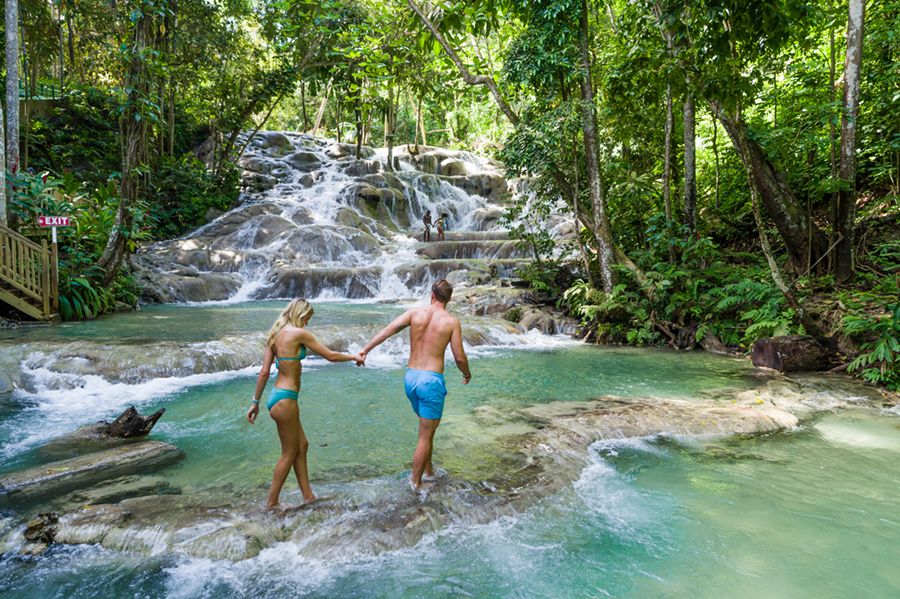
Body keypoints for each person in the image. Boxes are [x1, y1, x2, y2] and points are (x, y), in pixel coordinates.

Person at [247, 298, 363, 509]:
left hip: (276, 397)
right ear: (300, 314)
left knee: (302, 445)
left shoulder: (274, 334)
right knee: (289, 453)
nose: (307, 322)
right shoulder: (299, 333)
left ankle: (308, 496)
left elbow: (264, 372)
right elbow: (331, 356)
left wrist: (255, 402)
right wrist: (354, 357)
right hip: (286, 399)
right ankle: (271, 503)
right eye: (307, 318)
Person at [359, 279, 471, 490]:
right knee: (425, 436)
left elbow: (388, 330)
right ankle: (416, 484)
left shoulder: (414, 313)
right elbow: (459, 357)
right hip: (430, 382)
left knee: (428, 430)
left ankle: (429, 472)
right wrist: (467, 373)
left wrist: (365, 350)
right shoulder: (451, 322)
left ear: (432, 295)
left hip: (411, 378)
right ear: (448, 299)